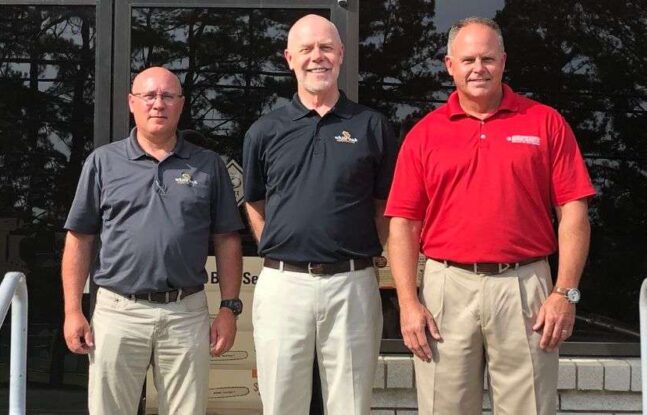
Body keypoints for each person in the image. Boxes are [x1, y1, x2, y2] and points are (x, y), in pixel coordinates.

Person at [385, 17, 596, 415]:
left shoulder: (545, 122)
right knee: (443, 408)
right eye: (467, 60)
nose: (477, 68)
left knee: (529, 408)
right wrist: (408, 302)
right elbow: (404, 224)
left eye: (487, 58)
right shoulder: (425, 134)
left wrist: (565, 292)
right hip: (446, 288)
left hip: (526, 287)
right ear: (449, 66)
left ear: (503, 61)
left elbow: (573, 210)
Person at [61, 66, 244, 415]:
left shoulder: (208, 165)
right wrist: (73, 310)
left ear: (181, 104)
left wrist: (228, 307)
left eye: (167, 96)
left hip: (186, 313)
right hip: (118, 312)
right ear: (132, 103)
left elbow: (227, 240)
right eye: (149, 96)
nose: (158, 104)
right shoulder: (103, 162)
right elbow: (79, 239)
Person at [242, 14, 397, 415]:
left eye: (326, 48)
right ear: (289, 58)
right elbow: (254, 202)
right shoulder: (264, 130)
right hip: (282, 286)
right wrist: (282, 247)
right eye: (307, 49)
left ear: (341, 54)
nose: (317, 57)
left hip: (352, 284)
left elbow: (385, 206)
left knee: (350, 404)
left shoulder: (373, 126)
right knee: (281, 403)